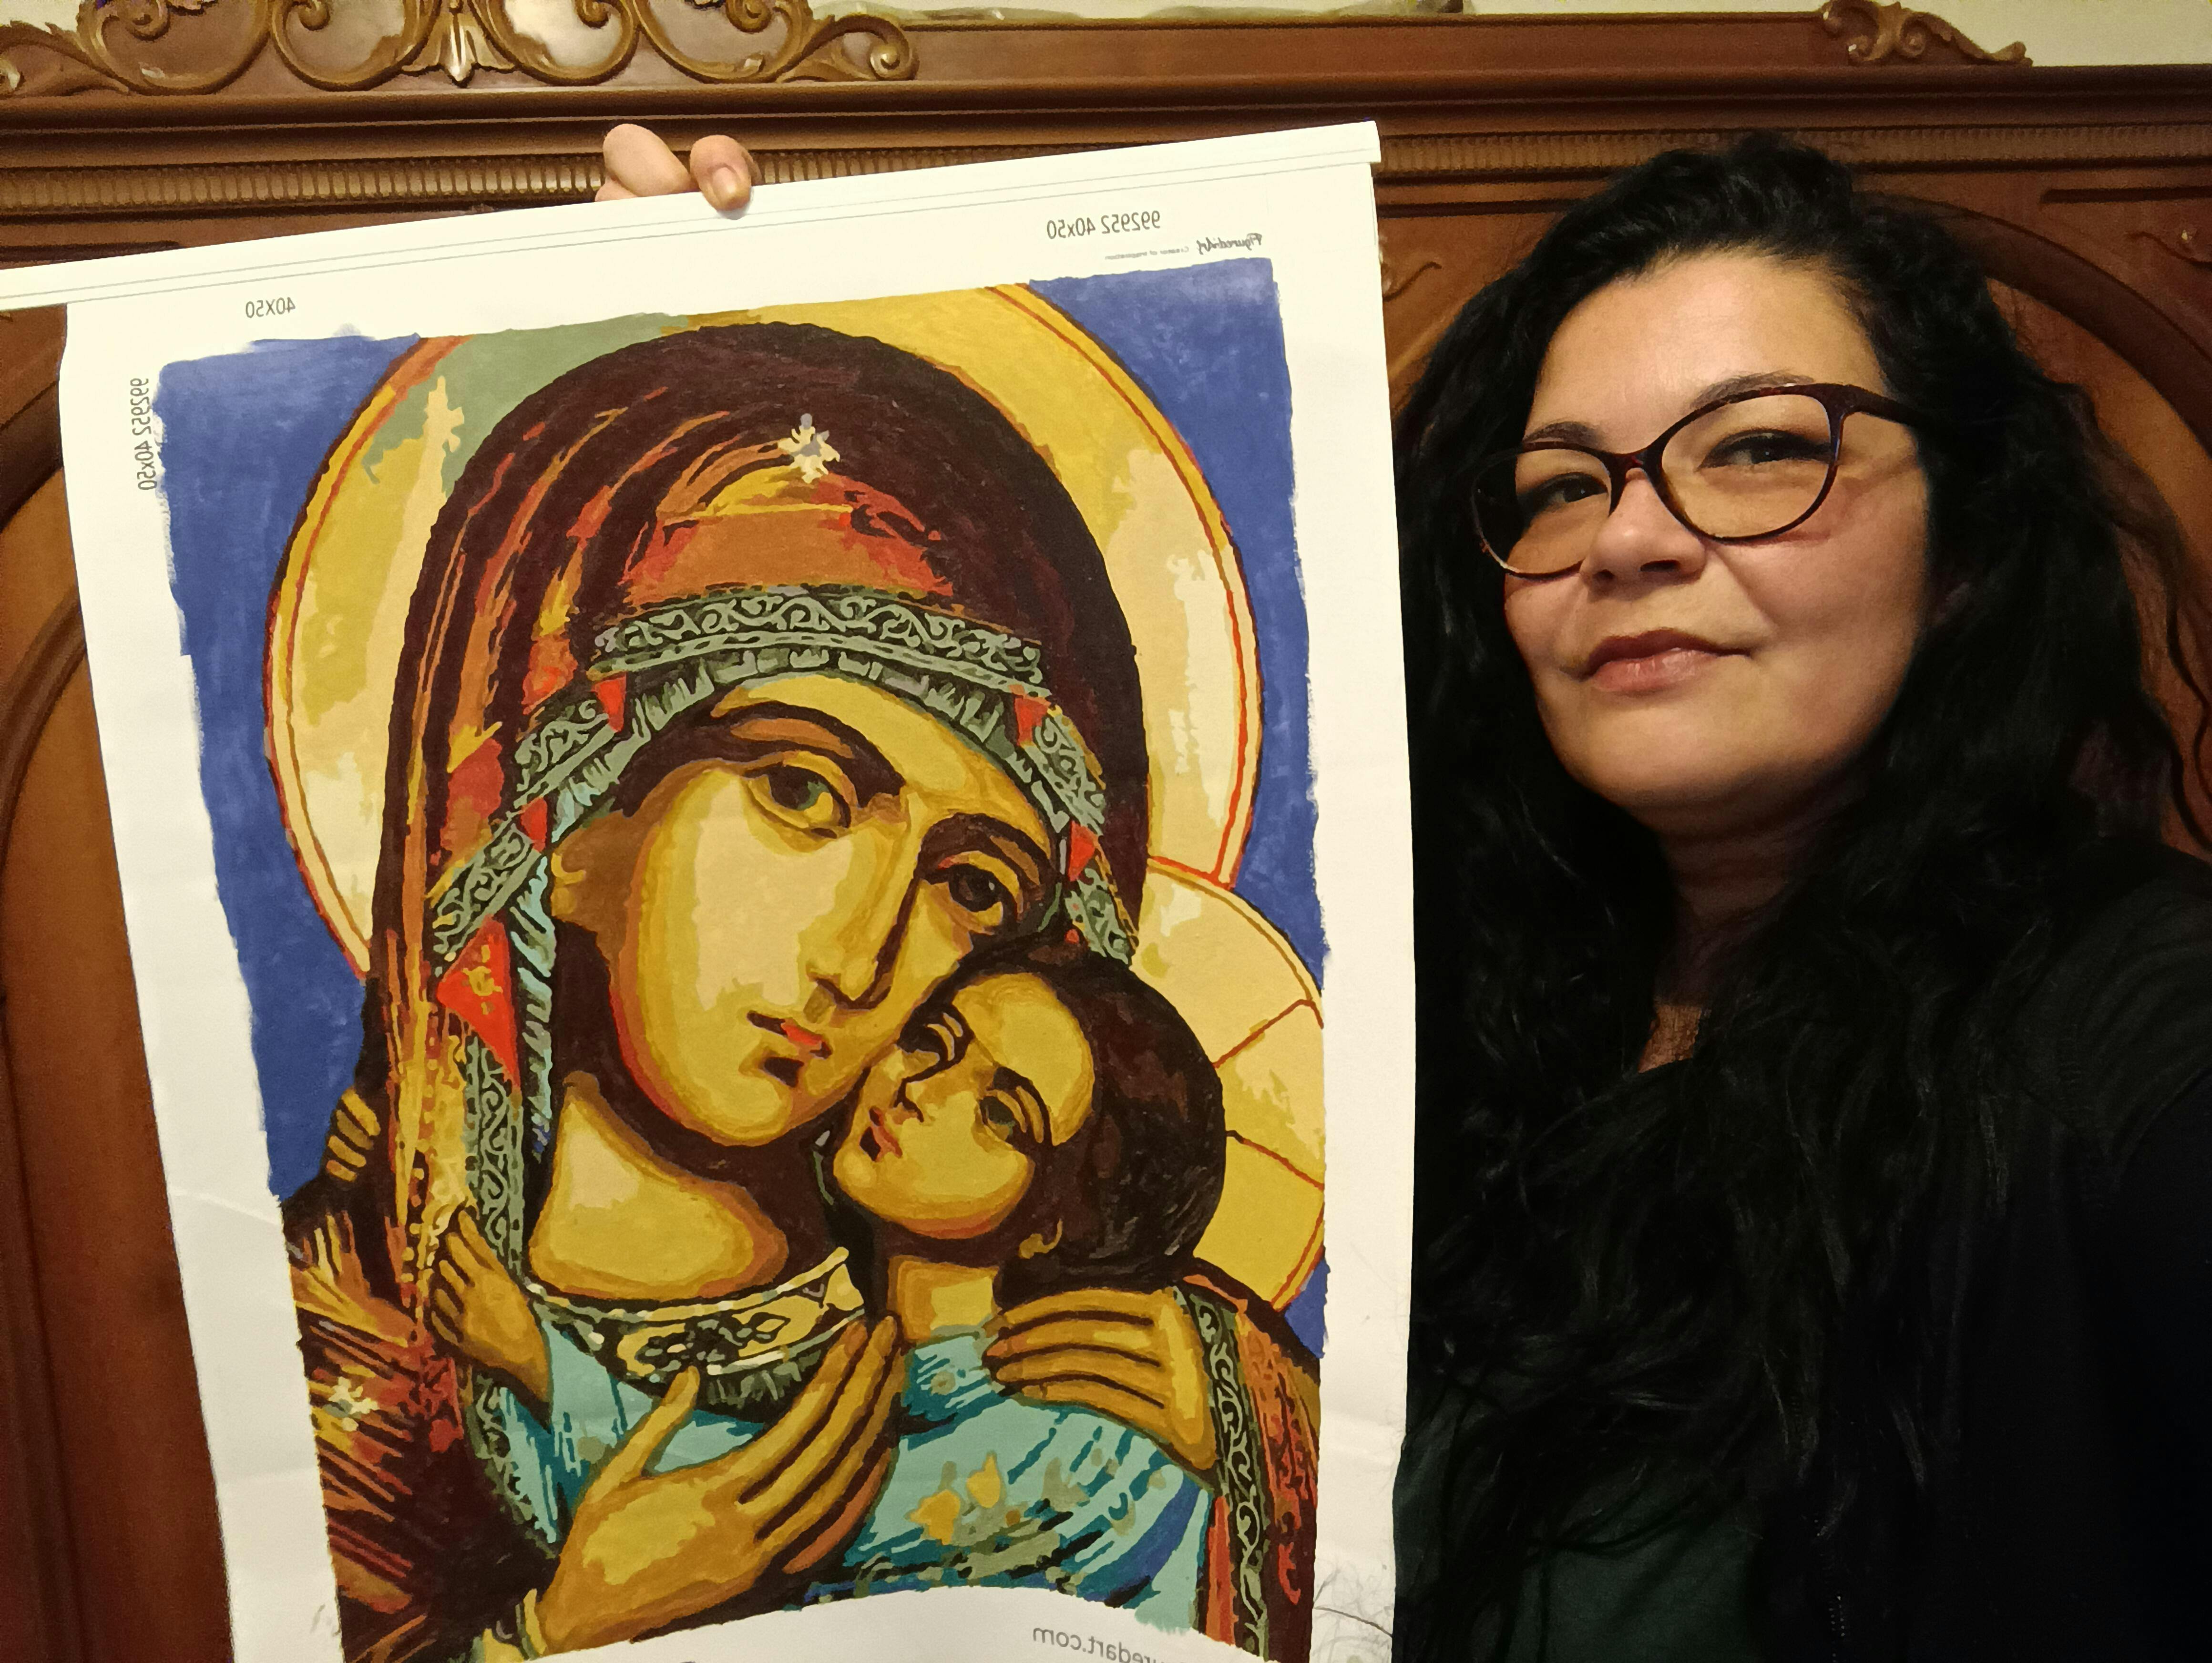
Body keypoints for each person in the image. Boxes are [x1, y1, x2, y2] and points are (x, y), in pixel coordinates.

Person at [596, 125, 2212, 1660]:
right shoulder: (1443, 999)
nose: (1632, 536)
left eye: (1759, 450)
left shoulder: (2126, 1031)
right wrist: (669, 331)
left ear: (1969, 542)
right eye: (1562, 484)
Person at [285, 317, 1316, 1661]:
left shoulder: (1100, 1358)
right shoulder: (347, 1336)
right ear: (570, 819)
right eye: (801, 792)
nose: (861, 959)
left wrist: (1247, 1427)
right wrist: (555, 1631)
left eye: (972, 885)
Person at [431, 937, 1240, 1652]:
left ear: (1054, 1223)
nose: (922, 1089)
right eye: (933, 1042)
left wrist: (537, 1363)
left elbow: (771, 1511)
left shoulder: (1087, 1440)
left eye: (999, 1113)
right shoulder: (883, 1359)